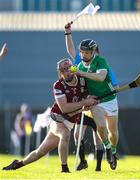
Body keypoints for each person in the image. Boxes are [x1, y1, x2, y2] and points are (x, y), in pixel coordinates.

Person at [3, 58, 98, 173]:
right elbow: (64, 108)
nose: (66, 73)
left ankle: (17, 164)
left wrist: (89, 102)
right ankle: (64, 169)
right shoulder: (58, 85)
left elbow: (85, 99)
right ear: (60, 73)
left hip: (70, 122)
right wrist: (84, 103)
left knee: (40, 152)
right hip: (56, 119)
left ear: (73, 69)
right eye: (63, 71)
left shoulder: (82, 80)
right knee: (65, 134)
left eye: (68, 69)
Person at [64, 23, 119, 170]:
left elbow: (101, 77)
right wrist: (67, 33)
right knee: (101, 126)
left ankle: (113, 150)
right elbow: (71, 51)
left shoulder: (100, 61)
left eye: (86, 52)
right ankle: (107, 149)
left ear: (93, 51)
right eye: (81, 52)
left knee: (113, 132)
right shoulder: (79, 64)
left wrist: (83, 73)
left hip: (110, 100)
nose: (83, 55)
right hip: (96, 102)